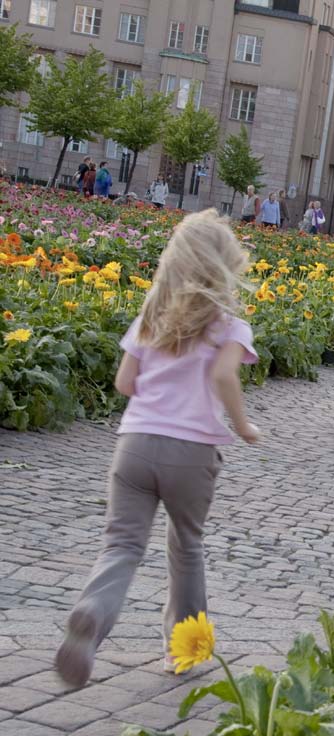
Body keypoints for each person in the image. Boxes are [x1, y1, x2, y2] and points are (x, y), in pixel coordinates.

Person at [54, 209, 260, 688]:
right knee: (186, 546)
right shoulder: (228, 325)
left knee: (122, 544)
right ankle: (181, 651)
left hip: (136, 445)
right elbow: (224, 375)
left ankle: (92, 610)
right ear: (224, 266)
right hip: (192, 452)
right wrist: (244, 424)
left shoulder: (151, 316)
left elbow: (125, 382)